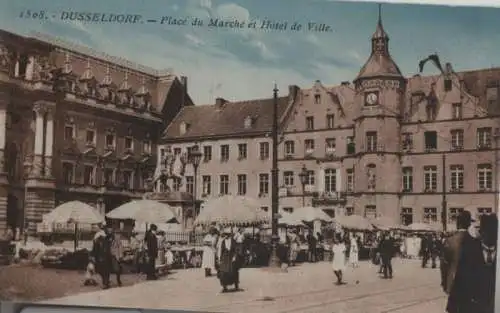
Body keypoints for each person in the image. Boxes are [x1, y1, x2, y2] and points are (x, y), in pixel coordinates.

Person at [445, 213, 497, 313]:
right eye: (489, 232)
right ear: (482, 233)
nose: (492, 237)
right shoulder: (469, 250)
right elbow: (460, 279)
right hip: (472, 307)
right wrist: (452, 307)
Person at [441, 210, 474, 312]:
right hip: (470, 284)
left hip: (453, 282)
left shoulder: (449, 241)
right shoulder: (475, 241)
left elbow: (444, 265)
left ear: (457, 223)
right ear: (469, 224)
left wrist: (444, 282)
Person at [91, 224, 123, 289]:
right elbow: (95, 247)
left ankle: (115, 280)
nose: (109, 230)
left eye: (110, 229)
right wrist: (93, 255)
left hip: (112, 255)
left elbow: (119, 246)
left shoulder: (115, 237)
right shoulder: (99, 237)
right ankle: (106, 282)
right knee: (103, 270)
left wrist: (120, 255)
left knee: (116, 269)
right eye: (108, 229)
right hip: (103, 256)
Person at [217, 228, 240, 292]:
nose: (225, 236)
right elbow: (221, 251)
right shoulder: (223, 242)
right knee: (223, 272)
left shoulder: (233, 241)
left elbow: (236, 250)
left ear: (229, 235)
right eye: (225, 235)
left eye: (227, 235)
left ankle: (236, 285)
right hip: (225, 258)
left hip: (231, 258)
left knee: (233, 272)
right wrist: (220, 259)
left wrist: (235, 256)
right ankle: (224, 287)